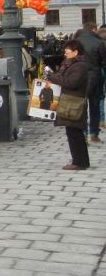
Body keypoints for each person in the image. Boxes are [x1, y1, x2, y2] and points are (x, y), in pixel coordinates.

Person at [46, 39, 91, 170]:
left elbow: (71, 82)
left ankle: (79, 162)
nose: (65, 54)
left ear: (76, 52)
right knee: (73, 132)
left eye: (67, 52)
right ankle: (80, 160)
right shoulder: (70, 64)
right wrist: (52, 77)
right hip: (69, 101)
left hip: (74, 103)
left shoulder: (80, 66)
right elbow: (62, 78)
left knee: (74, 132)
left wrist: (53, 77)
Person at [75, 22, 106, 143]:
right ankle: (94, 134)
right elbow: (104, 63)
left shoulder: (75, 41)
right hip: (95, 78)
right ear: (93, 29)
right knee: (95, 106)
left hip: (79, 77)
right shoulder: (99, 43)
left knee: (81, 107)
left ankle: (83, 134)